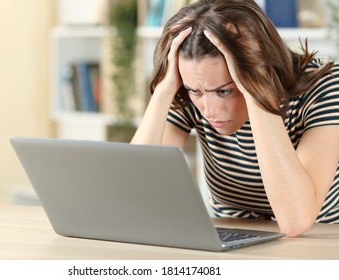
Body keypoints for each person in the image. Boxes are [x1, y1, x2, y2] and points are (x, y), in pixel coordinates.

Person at [131, 0, 339, 237]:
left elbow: (296, 222)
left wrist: (257, 89)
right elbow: (133, 197)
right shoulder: (197, 87)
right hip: (235, 237)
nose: (208, 110)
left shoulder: (324, 87)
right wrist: (163, 92)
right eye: (195, 91)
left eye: (224, 91)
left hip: (321, 239)